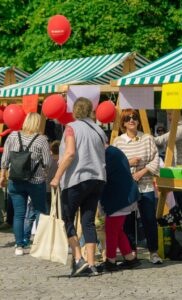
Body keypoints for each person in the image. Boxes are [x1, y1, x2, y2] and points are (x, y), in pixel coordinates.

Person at [50, 97, 106, 277]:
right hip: (97, 179)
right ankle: (91, 264)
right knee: (88, 221)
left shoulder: (71, 128)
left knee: (66, 219)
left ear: (74, 111)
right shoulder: (99, 130)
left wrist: (56, 177)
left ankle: (77, 258)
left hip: (76, 179)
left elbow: (70, 153)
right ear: (91, 111)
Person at [113, 109, 162, 264]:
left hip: (145, 185)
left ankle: (153, 251)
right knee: (128, 220)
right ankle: (131, 252)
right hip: (127, 187)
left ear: (139, 121)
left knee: (149, 219)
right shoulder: (118, 142)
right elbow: (113, 165)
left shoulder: (147, 139)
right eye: (128, 118)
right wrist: (128, 163)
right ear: (123, 122)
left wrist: (143, 171)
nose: (131, 120)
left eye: (134, 117)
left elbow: (155, 159)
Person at [0, 112, 51, 256]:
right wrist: (45, 173)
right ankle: (40, 244)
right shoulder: (41, 140)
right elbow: (47, 162)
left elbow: (5, 159)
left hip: (15, 181)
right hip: (36, 181)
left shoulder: (13, 136)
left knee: (19, 214)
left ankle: (19, 246)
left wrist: (3, 175)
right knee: (40, 211)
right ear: (37, 123)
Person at [100, 145, 141, 272]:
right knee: (117, 229)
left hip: (120, 197)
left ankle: (111, 260)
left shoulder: (109, 154)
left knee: (111, 230)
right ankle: (129, 258)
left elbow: (102, 174)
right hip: (122, 196)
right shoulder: (112, 151)